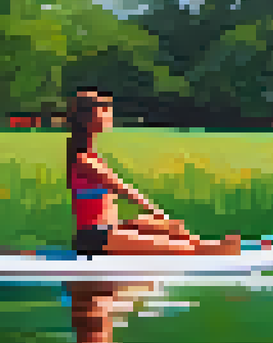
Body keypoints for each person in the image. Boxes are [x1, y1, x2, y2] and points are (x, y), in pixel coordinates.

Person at [65, 88, 243, 256]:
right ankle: (208, 250)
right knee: (179, 248)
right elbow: (124, 190)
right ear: (87, 119)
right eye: (102, 110)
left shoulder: (92, 157)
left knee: (175, 229)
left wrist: (161, 222)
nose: (108, 114)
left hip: (112, 229)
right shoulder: (83, 161)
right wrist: (156, 212)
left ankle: (210, 246)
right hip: (94, 238)